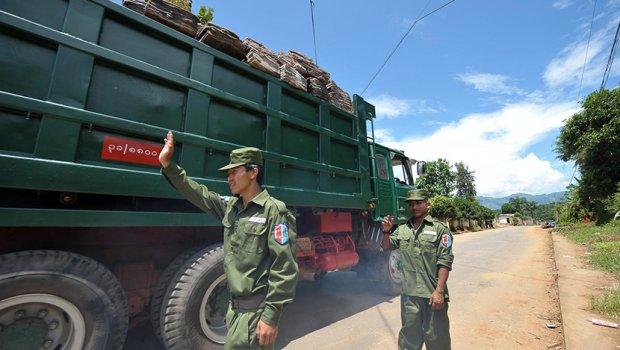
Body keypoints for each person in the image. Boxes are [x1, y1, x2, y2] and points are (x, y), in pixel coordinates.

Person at [159, 131, 299, 349]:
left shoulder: (274, 212)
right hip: (233, 310)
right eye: (228, 173)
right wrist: (169, 165)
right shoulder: (232, 207)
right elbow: (199, 193)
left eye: (234, 172)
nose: (229, 178)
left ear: (253, 172)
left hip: (254, 315)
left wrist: (270, 317)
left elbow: (285, 269)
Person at [381, 189, 454, 350]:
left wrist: (439, 292)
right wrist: (386, 231)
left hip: (432, 295)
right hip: (409, 296)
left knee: (437, 340)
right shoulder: (402, 229)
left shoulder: (439, 229)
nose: (415, 207)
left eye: (419, 203)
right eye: (411, 204)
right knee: (409, 341)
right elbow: (386, 247)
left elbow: (445, 261)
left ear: (427, 204)